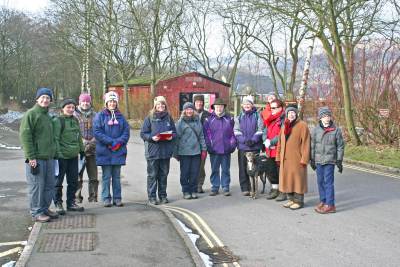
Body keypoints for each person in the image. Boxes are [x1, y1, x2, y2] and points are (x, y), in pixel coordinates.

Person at [19, 88, 59, 222]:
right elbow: (25, 137)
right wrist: (31, 157)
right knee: (36, 186)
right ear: (37, 99)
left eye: (48, 98)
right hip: (36, 158)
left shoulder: (48, 116)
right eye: (42, 97)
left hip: (49, 157)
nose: (45, 100)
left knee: (49, 185)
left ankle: (44, 208)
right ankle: (36, 212)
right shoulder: (31, 114)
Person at [93, 91, 130, 207]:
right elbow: (97, 132)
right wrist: (110, 142)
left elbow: (126, 132)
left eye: (114, 101)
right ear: (106, 103)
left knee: (117, 177)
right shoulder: (100, 116)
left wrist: (118, 143)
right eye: (110, 101)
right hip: (105, 151)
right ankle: (106, 198)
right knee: (106, 176)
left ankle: (117, 198)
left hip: (118, 151)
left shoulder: (121, 117)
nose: (112, 103)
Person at [140, 96, 176, 205]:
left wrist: (171, 136)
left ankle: (162, 196)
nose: (161, 106)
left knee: (163, 175)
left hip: (165, 152)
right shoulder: (149, 118)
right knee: (152, 175)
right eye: (158, 104)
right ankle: (152, 197)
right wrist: (152, 138)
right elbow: (143, 134)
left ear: (165, 105)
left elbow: (174, 132)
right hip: (153, 152)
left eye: (162, 104)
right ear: (155, 106)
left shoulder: (169, 118)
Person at [53, 98, 85, 214]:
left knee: (73, 181)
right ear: (63, 109)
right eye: (68, 107)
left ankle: (71, 203)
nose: (71, 109)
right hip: (61, 157)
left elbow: (78, 137)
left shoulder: (75, 120)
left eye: (73, 107)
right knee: (58, 182)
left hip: (73, 157)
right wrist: (58, 154)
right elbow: (55, 139)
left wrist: (82, 150)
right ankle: (58, 203)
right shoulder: (58, 121)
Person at [311, 107, 345, 214]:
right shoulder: (315, 130)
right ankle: (323, 200)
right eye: (324, 116)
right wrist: (312, 159)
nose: (327, 118)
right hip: (318, 160)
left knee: (328, 182)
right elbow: (312, 146)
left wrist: (339, 160)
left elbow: (340, 146)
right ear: (320, 118)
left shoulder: (336, 130)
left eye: (328, 116)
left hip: (330, 161)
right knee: (320, 182)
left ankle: (330, 205)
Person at [276, 105, 310, 210]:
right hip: (285, 159)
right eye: (289, 113)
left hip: (297, 159)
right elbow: (280, 143)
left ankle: (299, 201)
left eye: (293, 113)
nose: (291, 115)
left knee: (298, 180)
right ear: (286, 114)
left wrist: (304, 159)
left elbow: (306, 143)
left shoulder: (302, 125)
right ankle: (291, 199)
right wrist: (278, 157)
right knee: (288, 180)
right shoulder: (284, 126)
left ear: (296, 114)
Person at [203, 98, 236, 196]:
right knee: (214, 169)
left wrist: (232, 145)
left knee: (226, 169)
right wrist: (209, 146)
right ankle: (215, 187)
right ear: (214, 108)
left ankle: (225, 186)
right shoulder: (208, 120)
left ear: (223, 108)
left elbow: (233, 133)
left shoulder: (229, 119)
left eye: (221, 107)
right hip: (214, 149)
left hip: (226, 149)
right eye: (217, 107)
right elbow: (206, 135)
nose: (219, 108)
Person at [174, 102, 207, 200]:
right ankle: (185, 191)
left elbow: (201, 136)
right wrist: (175, 153)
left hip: (196, 152)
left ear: (193, 110)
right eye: (187, 109)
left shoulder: (197, 121)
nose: (189, 111)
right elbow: (176, 138)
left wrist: (204, 149)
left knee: (194, 173)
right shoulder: (180, 123)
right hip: (184, 152)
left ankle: (193, 190)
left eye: (191, 109)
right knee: (185, 173)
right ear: (184, 111)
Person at [234, 95, 263, 196]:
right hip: (243, 147)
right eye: (245, 104)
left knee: (254, 169)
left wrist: (253, 140)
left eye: (248, 104)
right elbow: (236, 131)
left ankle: (253, 188)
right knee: (243, 168)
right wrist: (244, 140)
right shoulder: (239, 117)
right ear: (242, 105)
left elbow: (260, 129)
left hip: (254, 147)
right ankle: (245, 188)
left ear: (252, 105)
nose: (247, 105)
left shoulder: (257, 116)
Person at [74, 93, 98, 203]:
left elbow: (100, 130)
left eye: (87, 101)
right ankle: (77, 198)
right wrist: (82, 141)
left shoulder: (96, 115)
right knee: (78, 176)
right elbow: (72, 132)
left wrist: (93, 140)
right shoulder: (74, 114)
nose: (85, 103)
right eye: (83, 101)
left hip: (93, 150)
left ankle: (93, 197)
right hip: (79, 151)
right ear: (79, 102)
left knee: (93, 177)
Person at [263, 99, 286, 201]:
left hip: (278, 150)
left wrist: (271, 142)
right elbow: (265, 130)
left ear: (280, 108)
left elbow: (281, 134)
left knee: (280, 171)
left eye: (274, 108)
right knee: (271, 171)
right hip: (269, 150)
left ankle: (283, 191)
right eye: (270, 108)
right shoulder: (270, 119)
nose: (271, 110)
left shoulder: (283, 119)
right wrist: (265, 140)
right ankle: (274, 189)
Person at [193, 94, 210, 193]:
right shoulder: (189, 112)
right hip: (191, 145)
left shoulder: (207, 114)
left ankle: (199, 184)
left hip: (203, 145)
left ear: (203, 103)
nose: (199, 103)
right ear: (194, 103)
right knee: (192, 165)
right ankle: (192, 184)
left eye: (200, 102)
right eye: (197, 102)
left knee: (201, 166)